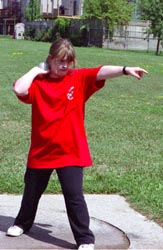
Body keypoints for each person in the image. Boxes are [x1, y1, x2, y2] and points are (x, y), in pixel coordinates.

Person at [6, 38, 148, 250]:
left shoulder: (78, 78)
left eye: (69, 61)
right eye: (60, 61)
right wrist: (36, 70)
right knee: (31, 193)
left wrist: (126, 69)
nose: (65, 66)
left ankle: (85, 239)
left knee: (74, 197)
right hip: (42, 151)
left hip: (70, 151)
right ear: (50, 60)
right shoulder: (39, 83)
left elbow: (101, 71)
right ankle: (21, 224)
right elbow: (19, 89)